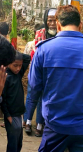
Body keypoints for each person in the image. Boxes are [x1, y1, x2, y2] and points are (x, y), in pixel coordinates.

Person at [29, 5, 83, 151]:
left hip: (55, 127)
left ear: (58, 25)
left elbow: (34, 86)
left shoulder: (43, 50)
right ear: (81, 25)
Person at [25, 8, 57, 136]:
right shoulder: (40, 33)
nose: (52, 24)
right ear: (45, 20)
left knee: (44, 98)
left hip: (51, 73)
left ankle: (39, 124)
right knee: (32, 96)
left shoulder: (60, 34)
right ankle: (27, 122)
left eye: (55, 21)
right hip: (38, 70)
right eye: (49, 21)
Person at [0, 51, 30, 152]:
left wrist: (13, 52)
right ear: (8, 63)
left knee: (19, 142)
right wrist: (7, 115)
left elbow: (28, 57)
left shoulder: (18, 74)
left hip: (18, 114)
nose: (18, 68)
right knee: (13, 144)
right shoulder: (6, 77)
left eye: (20, 65)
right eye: (15, 65)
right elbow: (2, 99)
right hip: (11, 115)